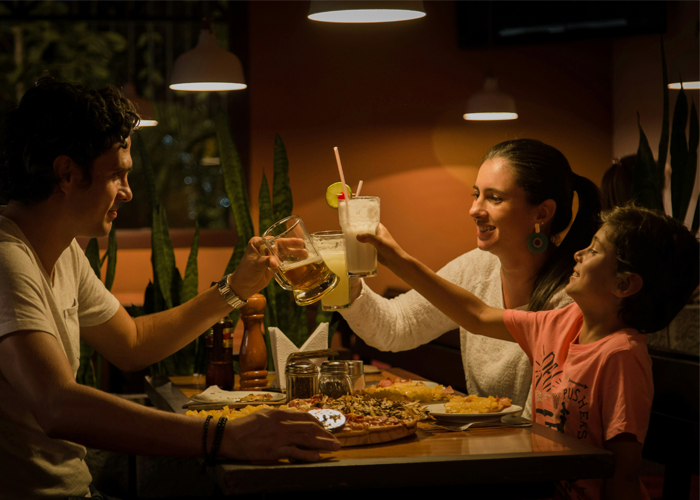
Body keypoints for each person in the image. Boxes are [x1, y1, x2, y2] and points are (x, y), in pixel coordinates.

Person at [0, 78, 339, 499]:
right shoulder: (6, 259)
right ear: (67, 173)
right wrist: (224, 436)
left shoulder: (62, 250)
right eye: (117, 176)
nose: (127, 192)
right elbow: (57, 406)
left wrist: (236, 287)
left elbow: (133, 342)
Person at [358, 204, 700, 499]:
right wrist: (396, 258)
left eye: (595, 250)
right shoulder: (561, 322)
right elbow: (476, 315)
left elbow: (623, 473)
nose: (579, 254)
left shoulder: (621, 357)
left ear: (624, 284)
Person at [341, 139, 602, 418]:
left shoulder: (571, 294)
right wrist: (342, 278)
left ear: (542, 212)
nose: (474, 209)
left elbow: (542, 422)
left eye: (494, 198)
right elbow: (395, 327)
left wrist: (399, 261)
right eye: (476, 194)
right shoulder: (477, 268)